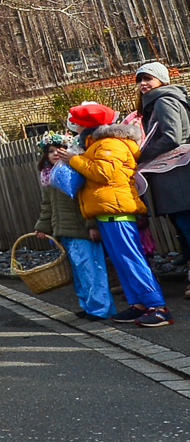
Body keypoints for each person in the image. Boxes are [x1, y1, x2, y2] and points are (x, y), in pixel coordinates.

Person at [59, 102, 171, 328]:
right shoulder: (99, 143)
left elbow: (104, 173)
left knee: (131, 259)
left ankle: (158, 307)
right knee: (122, 262)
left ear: (88, 126)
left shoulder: (110, 143)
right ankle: (139, 304)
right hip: (109, 211)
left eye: (77, 124)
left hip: (116, 211)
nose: (75, 129)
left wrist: (74, 160)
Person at [32, 132, 109, 319]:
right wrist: (43, 226)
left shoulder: (75, 172)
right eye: (50, 151)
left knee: (91, 268)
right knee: (78, 271)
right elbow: (48, 205)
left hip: (81, 227)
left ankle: (100, 308)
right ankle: (88, 305)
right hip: (64, 229)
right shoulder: (48, 177)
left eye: (60, 150)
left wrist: (92, 224)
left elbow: (89, 198)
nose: (55, 154)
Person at [132, 62, 190, 290]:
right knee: (181, 221)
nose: (143, 84)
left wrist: (140, 155)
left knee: (185, 220)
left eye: (149, 78)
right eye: (140, 79)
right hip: (173, 171)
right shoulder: (159, 101)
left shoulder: (164, 100)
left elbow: (171, 137)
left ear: (161, 80)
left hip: (176, 172)